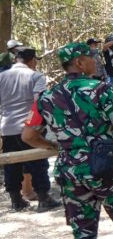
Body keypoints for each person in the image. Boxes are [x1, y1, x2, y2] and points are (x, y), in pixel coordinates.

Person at [23, 42, 113, 238]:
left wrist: (53, 146)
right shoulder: (101, 89)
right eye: (92, 57)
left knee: (83, 232)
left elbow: (28, 136)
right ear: (79, 62)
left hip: (69, 172)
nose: (96, 61)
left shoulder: (45, 97)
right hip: (103, 168)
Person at [0, 47, 62, 212]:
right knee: (38, 163)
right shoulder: (36, 76)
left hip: (7, 127)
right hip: (29, 126)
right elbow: (39, 101)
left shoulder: (1, 77)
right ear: (32, 60)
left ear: (15, 60)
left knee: (11, 164)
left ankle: (16, 200)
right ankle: (43, 198)